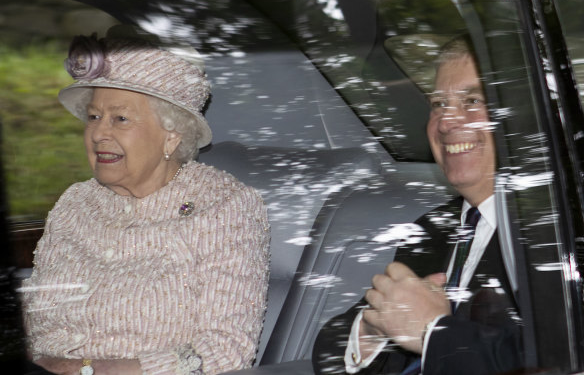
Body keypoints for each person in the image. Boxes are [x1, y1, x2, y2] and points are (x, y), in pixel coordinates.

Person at [19, 27, 270, 375]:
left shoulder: (224, 207)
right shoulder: (75, 202)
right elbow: (31, 311)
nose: (99, 133)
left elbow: (226, 352)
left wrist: (87, 369)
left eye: (120, 119)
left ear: (172, 136)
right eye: (94, 117)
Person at [312, 36, 524, 375]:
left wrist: (435, 331)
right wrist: (371, 333)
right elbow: (329, 348)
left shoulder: (556, 232)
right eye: (439, 104)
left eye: (472, 100)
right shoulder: (434, 227)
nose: (446, 122)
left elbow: (540, 360)